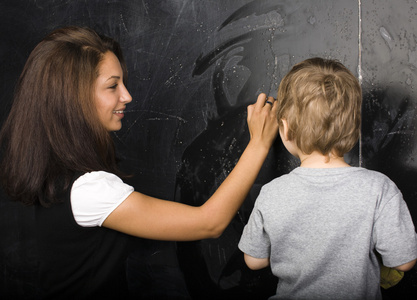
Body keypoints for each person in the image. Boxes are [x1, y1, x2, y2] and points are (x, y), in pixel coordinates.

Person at [0, 26, 279, 299]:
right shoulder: (90, 190)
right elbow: (209, 223)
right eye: (113, 86)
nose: (127, 96)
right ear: (74, 99)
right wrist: (259, 144)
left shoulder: (58, 171)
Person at [238, 57, 417, 299]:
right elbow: (404, 261)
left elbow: (254, 261)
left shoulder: (272, 192)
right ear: (353, 129)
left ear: (285, 128)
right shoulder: (379, 188)